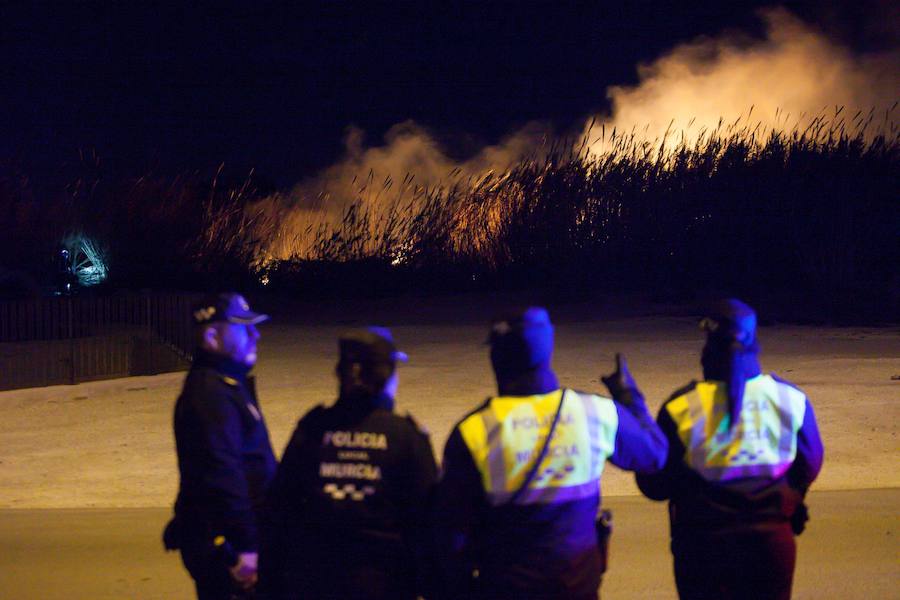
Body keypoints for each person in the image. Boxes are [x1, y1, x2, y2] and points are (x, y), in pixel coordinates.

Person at [432, 307, 668, 600]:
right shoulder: (595, 412)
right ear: (548, 352)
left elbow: (451, 534)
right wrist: (630, 398)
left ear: (496, 358)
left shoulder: (474, 430)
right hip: (577, 587)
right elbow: (655, 455)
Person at [635, 299, 824, 600]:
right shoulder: (790, 399)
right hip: (772, 547)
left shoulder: (683, 406)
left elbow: (655, 484)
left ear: (709, 345)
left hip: (702, 551)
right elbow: (810, 464)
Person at [259, 327, 438, 600]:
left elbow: (280, 508)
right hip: (385, 582)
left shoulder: (312, 428)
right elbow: (429, 519)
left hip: (315, 580)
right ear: (386, 378)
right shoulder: (405, 436)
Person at [163, 292, 277, 599]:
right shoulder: (210, 395)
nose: (255, 334)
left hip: (231, 537)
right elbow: (221, 472)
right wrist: (246, 547)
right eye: (243, 327)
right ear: (212, 336)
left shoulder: (225, 386)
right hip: (230, 547)